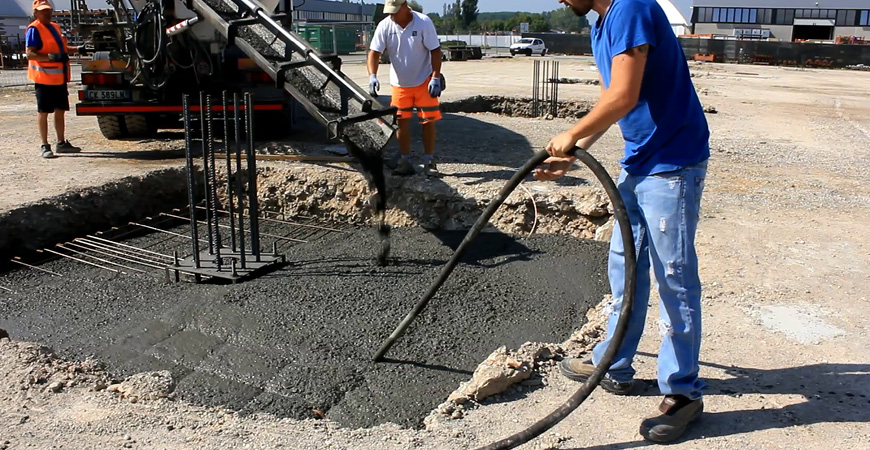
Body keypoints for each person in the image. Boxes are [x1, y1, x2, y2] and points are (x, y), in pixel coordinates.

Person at [536, 0, 710, 443]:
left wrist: (571, 135)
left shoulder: (631, 6)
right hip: (640, 162)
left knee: (674, 277)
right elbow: (611, 102)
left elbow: (624, 95)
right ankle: (613, 362)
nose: (559, 0)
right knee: (625, 266)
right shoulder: (603, 24)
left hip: (672, 163)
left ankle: (684, 394)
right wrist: (571, 154)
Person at [367, 0, 444, 177]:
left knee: (428, 121)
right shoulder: (385, 25)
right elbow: (374, 52)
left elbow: (435, 50)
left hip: (424, 81)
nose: (391, 15)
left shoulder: (423, 22)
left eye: (395, 11)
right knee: (402, 122)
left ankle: (429, 161)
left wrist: (436, 77)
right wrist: (373, 76)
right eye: (389, 12)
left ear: (405, 6)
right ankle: (405, 161)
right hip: (400, 84)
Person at [26, 0, 82, 159]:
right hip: (44, 78)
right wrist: (51, 57)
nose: (47, 13)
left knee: (60, 111)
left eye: (49, 10)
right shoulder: (34, 29)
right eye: (43, 11)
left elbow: (63, 49)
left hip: (59, 78)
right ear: (36, 12)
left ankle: (61, 143)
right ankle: (44, 145)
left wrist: (79, 48)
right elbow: (30, 53)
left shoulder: (55, 27)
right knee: (43, 112)